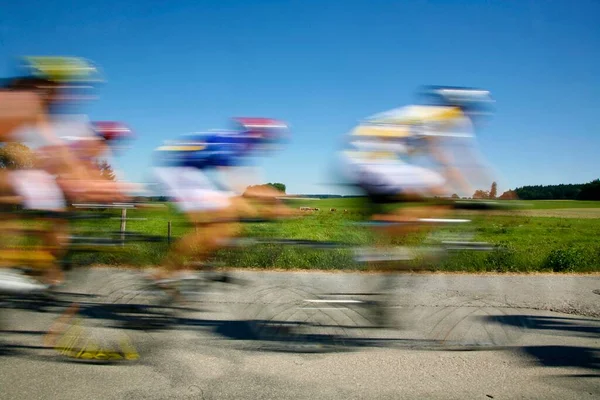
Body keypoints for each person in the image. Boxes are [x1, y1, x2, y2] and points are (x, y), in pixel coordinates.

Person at [0, 56, 126, 286]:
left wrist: (87, 180)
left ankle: (32, 263)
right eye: (66, 87)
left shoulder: (34, 108)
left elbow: (58, 152)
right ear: (47, 85)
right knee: (12, 190)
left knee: (44, 201)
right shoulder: (16, 100)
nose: (69, 95)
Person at [338, 86, 495, 246]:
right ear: (462, 107)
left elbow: (427, 156)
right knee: (440, 191)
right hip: (369, 161)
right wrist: (468, 190)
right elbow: (445, 159)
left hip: (354, 159)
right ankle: (386, 245)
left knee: (418, 194)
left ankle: (383, 245)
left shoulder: (422, 113)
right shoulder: (445, 116)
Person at [152, 117, 292, 282]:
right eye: (271, 138)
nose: (271, 144)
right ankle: (166, 272)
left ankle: (200, 263)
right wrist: (271, 201)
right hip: (175, 170)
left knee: (229, 225)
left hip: (189, 171)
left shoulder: (242, 145)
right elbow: (238, 185)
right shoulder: (234, 143)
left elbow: (245, 182)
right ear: (260, 134)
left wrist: (273, 200)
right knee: (217, 219)